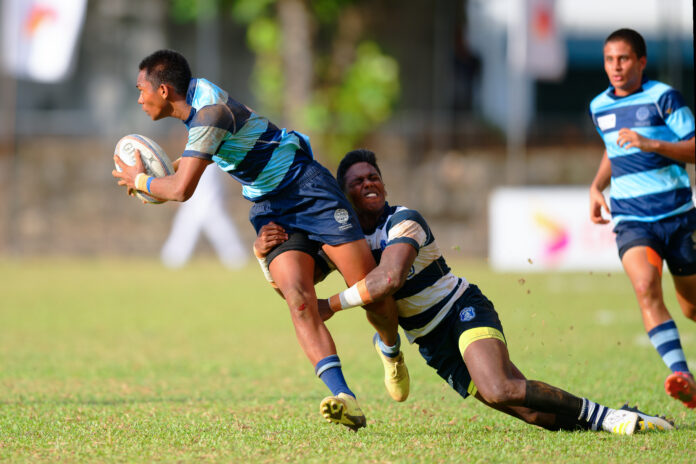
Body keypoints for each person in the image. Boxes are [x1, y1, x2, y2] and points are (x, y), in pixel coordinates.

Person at [255, 149, 675, 434]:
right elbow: (297, 296)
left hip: (460, 311)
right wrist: (264, 257)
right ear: (342, 195)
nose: (368, 184)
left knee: (499, 387)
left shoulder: (404, 221)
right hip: (430, 341)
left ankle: (610, 418)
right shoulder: (343, 243)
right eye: (357, 181)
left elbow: (388, 281)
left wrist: (330, 305)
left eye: (373, 177)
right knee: (530, 412)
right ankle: (620, 419)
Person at [111, 49, 409, 431]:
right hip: (270, 208)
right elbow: (194, 160)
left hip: (307, 188)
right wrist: (154, 181)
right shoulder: (197, 102)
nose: (139, 98)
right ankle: (343, 395)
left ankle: (389, 348)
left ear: (164, 90)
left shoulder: (209, 114)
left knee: (373, 293)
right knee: (298, 299)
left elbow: (182, 189)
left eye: (141, 89)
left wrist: (140, 179)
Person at [588, 28, 696, 408]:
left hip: (679, 218)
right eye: (609, 59)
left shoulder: (664, 97)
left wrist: (653, 144)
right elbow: (613, 148)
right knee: (646, 286)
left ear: (641, 61)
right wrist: (596, 186)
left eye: (623, 59)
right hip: (632, 220)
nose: (615, 67)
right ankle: (682, 376)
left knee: (692, 308)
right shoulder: (598, 106)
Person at [160, 163, 248, 270]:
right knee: (178, 245)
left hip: (211, 205)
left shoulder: (212, 161)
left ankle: (238, 261)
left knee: (229, 243)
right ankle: (171, 264)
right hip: (194, 205)